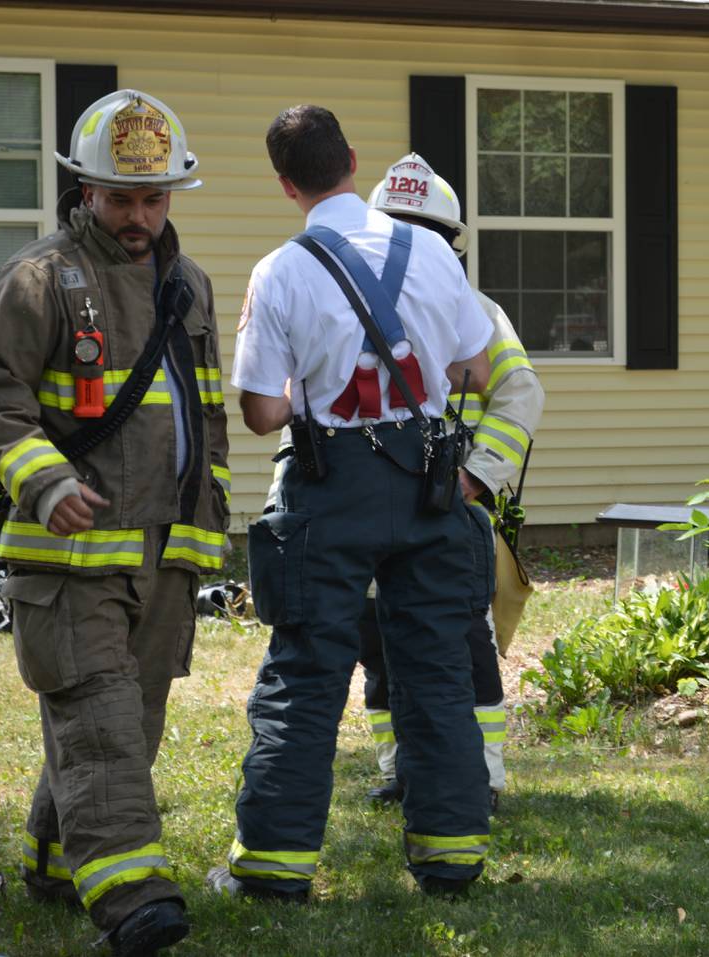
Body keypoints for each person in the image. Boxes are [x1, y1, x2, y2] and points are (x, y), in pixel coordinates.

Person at [0, 89, 229, 956]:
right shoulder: (40, 279)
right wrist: (42, 482)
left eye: (154, 198)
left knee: (127, 720)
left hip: (165, 553)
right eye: (121, 198)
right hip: (67, 552)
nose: (140, 216)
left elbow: (206, 415)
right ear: (84, 192)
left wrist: (205, 534)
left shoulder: (190, 287)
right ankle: (133, 899)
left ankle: (51, 855)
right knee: (101, 717)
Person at [209, 106, 495, 902]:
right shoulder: (434, 255)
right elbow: (475, 367)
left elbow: (263, 414)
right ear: (353, 162)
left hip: (331, 486)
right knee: (437, 669)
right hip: (429, 483)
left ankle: (273, 866)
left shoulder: (281, 270)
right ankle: (452, 856)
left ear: (286, 184)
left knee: (305, 674)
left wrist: (312, 381)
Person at [358, 154, 544, 811]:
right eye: (395, 226)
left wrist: (474, 477)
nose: (408, 243)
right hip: (367, 506)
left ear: (450, 245)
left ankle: (483, 775)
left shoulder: (478, 312)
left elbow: (520, 391)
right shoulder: (343, 298)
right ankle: (399, 767)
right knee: (377, 639)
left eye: (423, 231)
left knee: (467, 642)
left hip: (442, 507)